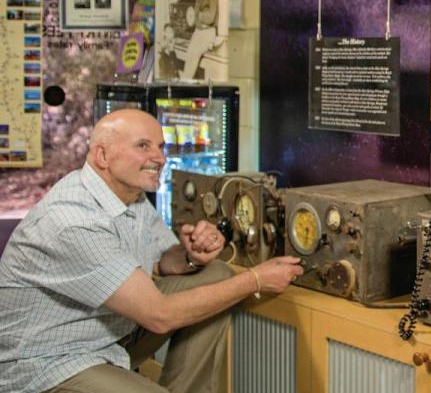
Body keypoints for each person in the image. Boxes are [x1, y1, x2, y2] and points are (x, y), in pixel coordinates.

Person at [0, 109, 303, 393]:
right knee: (215, 288)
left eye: (160, 146)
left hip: (106, 337)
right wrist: (256, 280)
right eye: (143, 146)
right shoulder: (72, 220)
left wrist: (190, 255)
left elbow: (160, 261)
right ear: (103, 155)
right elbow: (158, 316)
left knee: (215, 273)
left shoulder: (129, 196)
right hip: (47, 362)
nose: (158, 158)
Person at [180, 0, 219, 80]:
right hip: (199, 31)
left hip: (208, 33)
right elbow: (196, 19)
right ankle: (186, 79)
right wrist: (201, 18)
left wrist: (200, 17)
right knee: (189, 53)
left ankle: (186, 79)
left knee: (195, 54)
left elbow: (210, 17)